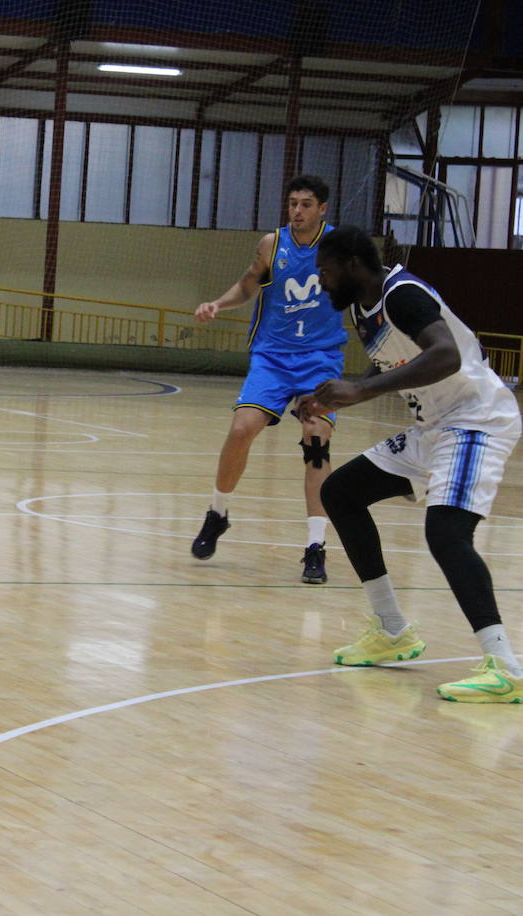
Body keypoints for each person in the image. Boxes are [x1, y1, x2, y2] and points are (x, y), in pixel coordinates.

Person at [295, 226, 523, 702]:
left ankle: (504, 665)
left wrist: (361, 391)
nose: (321, 281)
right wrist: (338, 395)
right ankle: (392, 629)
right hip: (434, 428)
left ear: (353, 265)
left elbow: (446, 356)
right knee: (340, 492)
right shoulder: (364, 307)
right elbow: (390, 366)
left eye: (326, 271)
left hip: (476, 419)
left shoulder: (403, 294)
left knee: (446, 532)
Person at [190, 174, 347, 584]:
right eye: (293, 203)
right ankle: (217, 513)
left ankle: (315, 547)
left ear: (322, 208)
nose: (297, 211)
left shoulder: (339, 247)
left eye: (306, 204)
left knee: (316, 441)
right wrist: (218, 304)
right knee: (242, 428)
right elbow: (247, 285)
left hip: (320, 359)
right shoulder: (270, 244)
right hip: (273, 356)